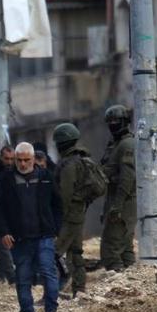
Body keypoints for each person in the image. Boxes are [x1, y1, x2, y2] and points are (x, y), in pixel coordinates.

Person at [0, 143, 61, 312]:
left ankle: (51, 311)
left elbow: (57, 204)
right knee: (23, 277)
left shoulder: (45, 177)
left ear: (33, 159)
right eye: (19, 160)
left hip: (44, 235)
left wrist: (55, 228)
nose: (23, 164)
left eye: (27, 160)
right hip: (19, 238)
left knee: (48, 272)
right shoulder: (6, 180)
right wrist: (4, 232)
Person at [53, 122, 91, 296]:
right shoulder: (80, 159)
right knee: (75, 252)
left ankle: (53, 291)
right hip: (77, 212)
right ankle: (79, 289)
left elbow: (65, 195)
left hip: (69, 215)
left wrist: (58, 217)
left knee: (52, 253)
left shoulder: (69, 164)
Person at [99, 105, 137, 271]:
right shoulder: (115, 144)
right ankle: (131, 280)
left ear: (125, 121)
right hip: (115, 198)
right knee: (124, 248)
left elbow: (127, 178)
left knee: (111, 250)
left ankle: (118, 279)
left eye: (116, 121)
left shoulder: (127, 144)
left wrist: (117, 206)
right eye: (110, 122)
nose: (112, 125)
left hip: (124, 201)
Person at [0, 145, 17, 284]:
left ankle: (0, 274)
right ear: (1, 158)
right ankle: (11, 276)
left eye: (12, 159)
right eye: (6, 159)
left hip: (13, 213)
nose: (9, 162)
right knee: (4, 243)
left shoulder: (16, 170)